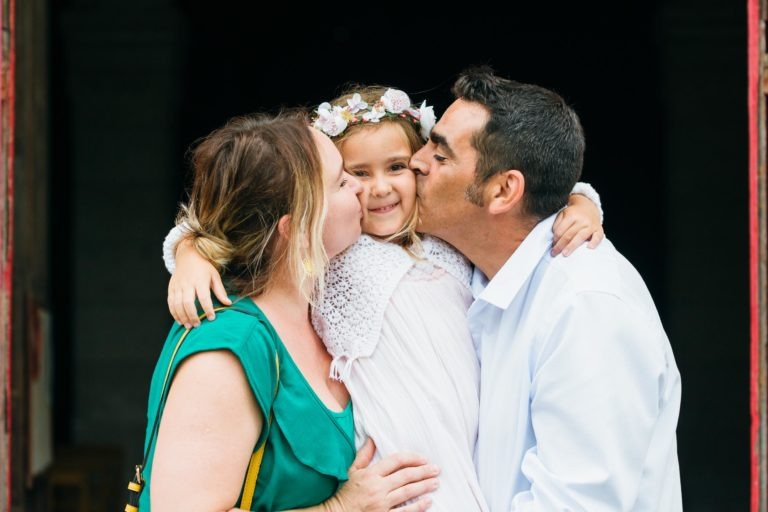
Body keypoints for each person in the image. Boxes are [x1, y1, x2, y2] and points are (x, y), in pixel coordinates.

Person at [162, 86, 605, 511]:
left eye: (396, 167)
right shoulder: (334, 256)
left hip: (470, 454)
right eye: (348, 177)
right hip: (397, 456)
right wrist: (192, 253)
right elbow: (241, 218)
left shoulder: (444, 238)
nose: (371, 189)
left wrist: (579, 203)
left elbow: (518, 191)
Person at [408, 67, 682, 511]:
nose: (416, 161)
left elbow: (578, 503)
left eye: (440, 157)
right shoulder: (473, 273)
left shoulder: (586, 307)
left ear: (502, 191)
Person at [140, 111, 442, 512]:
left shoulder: (323, 314)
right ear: (296, 228)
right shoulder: (227, 349)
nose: (360, 188)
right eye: (341, 181)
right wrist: (341, 509)